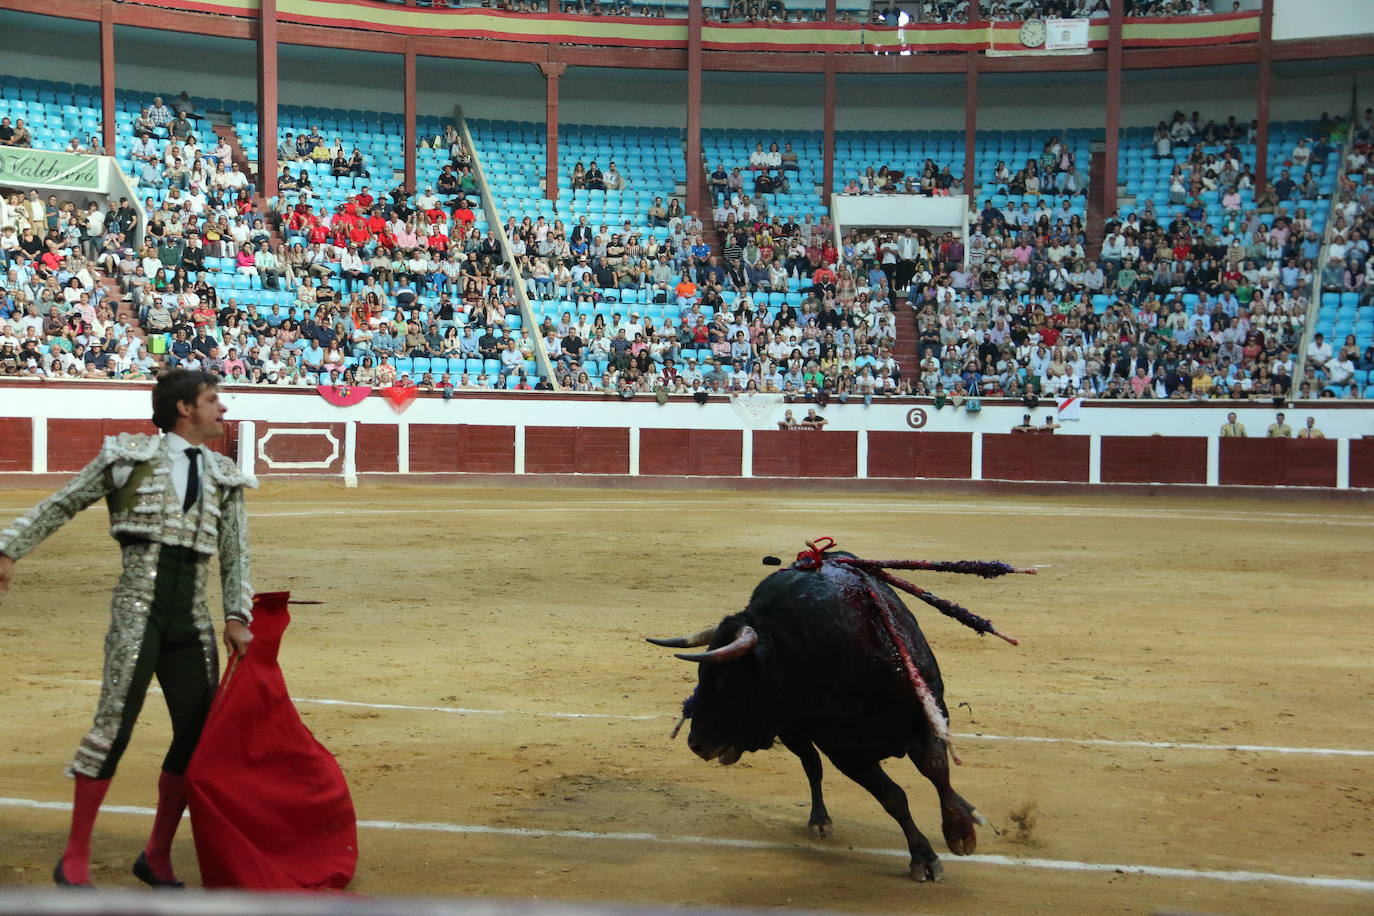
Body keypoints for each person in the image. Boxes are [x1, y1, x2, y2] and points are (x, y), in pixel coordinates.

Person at [0, 370, 256, 889]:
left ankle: (157, 854)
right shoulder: (129, 457)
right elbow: (64, 501)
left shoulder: (225, 474)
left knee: (197, 737)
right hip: (138, 610)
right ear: (185, 408)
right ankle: (75, 857)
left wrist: (236, 615)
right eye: (213, 400)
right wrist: (8, 548)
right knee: (113, 724)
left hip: (191, 619)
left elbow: (235, 551)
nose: (222, 410)